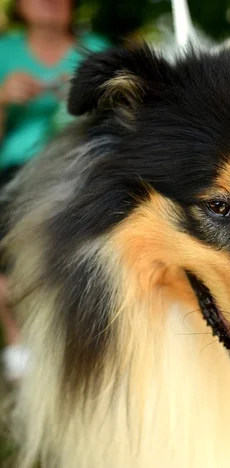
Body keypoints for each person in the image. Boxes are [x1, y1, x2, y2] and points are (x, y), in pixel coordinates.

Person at [0, 0, 109, 382]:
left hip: (76, 170)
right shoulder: (4, 51)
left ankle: (63, 342)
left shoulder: (94, 49)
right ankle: (19, 342)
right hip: (14, 172)